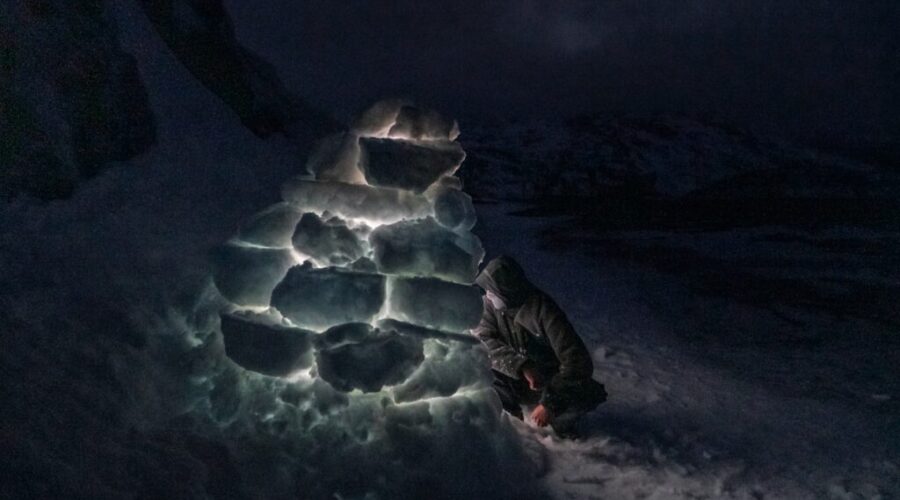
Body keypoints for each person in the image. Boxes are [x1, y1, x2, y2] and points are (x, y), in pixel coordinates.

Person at [472, 255, 606, 438]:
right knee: (480, 365)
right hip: (519, 379)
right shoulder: (490, 305)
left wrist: (550, 403)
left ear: (506, 291)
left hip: (548, 381)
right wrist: (522, 366)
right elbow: (483, 339)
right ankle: (511, 419)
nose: (488, 295)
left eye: (492, 291)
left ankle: (560, 428)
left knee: (586, 394)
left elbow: (577, 361)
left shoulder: (544, 311)